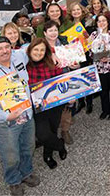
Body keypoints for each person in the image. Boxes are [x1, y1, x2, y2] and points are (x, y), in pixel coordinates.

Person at [0, 37, 40, 196]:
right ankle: (13, 180)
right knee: (10, 155)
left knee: (28, 147)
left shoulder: (19, 56)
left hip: (27, 115)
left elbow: (34, 45)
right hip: (6, 124)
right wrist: (6, 116)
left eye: (7, 47)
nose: (5, 51)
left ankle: (26, 172)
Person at [26, 38, 68, 170]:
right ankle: (60, 145)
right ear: (30, 50)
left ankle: (47, 155)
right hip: (37, 107)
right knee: (43, 134)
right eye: (36, 49)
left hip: (54, 103)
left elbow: (61, 80)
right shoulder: (24, 64)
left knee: (53, 129)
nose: (39, 52)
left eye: (42, 50)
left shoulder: (52, 63)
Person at [41, 21, 74, 145]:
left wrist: (74, 65)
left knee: (68, 105)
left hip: (65, 76)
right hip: (49, 80)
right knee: (53, 107)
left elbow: (75, 64)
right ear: (45, 33)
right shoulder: (41, 46)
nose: (53, 33)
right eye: (50, 30)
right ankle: (51, 132)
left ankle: (65, 130)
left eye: (55, 30)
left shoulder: (64, 43)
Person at [89, 14, 110, 120]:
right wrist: (97, 56)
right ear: (96, 23)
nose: (102, 23)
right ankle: (105, 110)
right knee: (103, 90)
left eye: (104, 21)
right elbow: (89, 51)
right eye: (99, 21)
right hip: (100, 68)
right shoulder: (93, 35)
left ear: (108, 22)